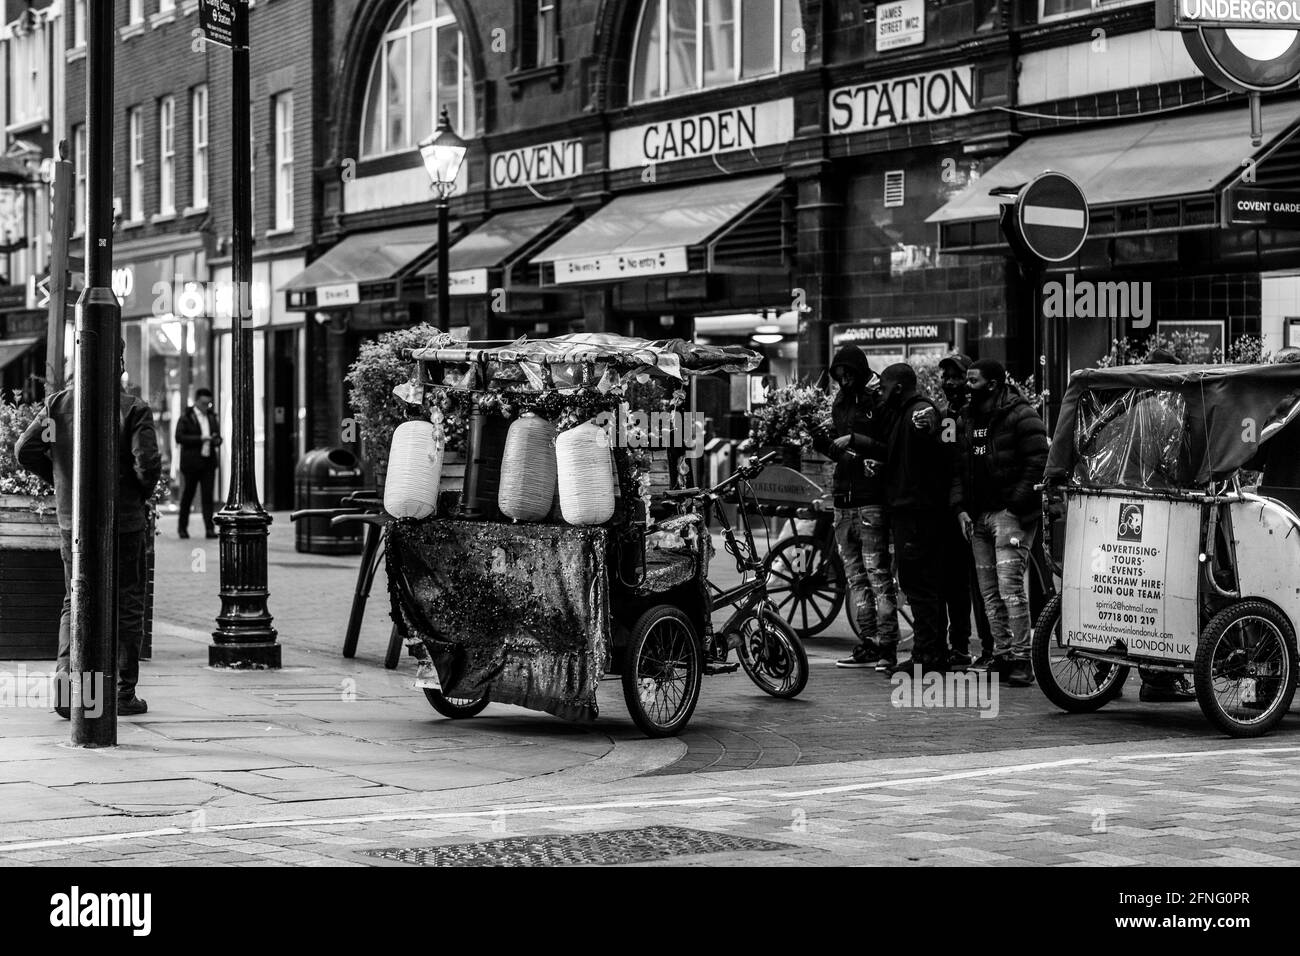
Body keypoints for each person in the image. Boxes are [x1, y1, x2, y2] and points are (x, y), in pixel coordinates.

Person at [16, 340, 161, 718]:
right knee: (127, 602)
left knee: (74, 601)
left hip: (73, 521)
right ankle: (121, 692)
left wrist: (64, 481)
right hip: (123, 522)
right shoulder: (133, 408)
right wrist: (135, 493)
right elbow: (146, 464)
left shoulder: (58, 406)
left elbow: (24, 450)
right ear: (120, 363)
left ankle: (67, 690)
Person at [951, 359, 1048, 687]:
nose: (967, 385)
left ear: (992, 383)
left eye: (973, 380)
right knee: (989, 592)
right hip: (978, 516)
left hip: (1010, 515)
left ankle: (1023, 659)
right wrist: (961, 508)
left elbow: (1039, 462)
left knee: (1010, 590)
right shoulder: (967, 416)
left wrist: (1014, 504)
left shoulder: (1022, 414)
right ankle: (1003, 655)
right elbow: (959, 466)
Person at [815, 345, 900, 670]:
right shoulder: (840, 402)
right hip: (844, 499)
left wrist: (854, 440)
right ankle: (870, 643)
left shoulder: (878, 402)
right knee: (856, 578)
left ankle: (887, 646)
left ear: (859, 371)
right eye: (839, 375)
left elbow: (889, 448)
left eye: (848, 373)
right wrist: (825, 443)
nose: (844, 379)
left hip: (870, 500)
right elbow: (842, 452)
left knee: (877, 576)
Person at [868, 363, 952, 674]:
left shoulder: (921, 412)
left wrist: (932, 422)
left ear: (899, 387)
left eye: (885, 387)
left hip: (917, 514)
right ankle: (932, 655)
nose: (881, 392)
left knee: (920, 587)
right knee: (923, 586)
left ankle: (926, 658)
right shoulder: (904, 413)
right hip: (914, 511)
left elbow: (940, 435)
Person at [938, 354, 995, 669]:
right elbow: (948, 458)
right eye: (945, 377)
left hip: (977, 510)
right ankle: (958, 646)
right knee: (955, 585)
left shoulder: (980, 414)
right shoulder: (947, 416)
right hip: (953, 511)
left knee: (982, 585)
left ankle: (990, 648)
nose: (949, 382)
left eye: (955, 376)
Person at [175, 387, 222, 539]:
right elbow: (179, 437)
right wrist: (200, 439)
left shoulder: (211, 416)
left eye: (208, 404)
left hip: (208, 462)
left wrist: (216, 440)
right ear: (196, 401)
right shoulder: (186, 417)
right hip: (191, 463)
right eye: (203, 403)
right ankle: (182, 528)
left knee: (207, 497)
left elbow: (217, 436)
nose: (206, 406)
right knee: (188, 495)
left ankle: (209, 528)